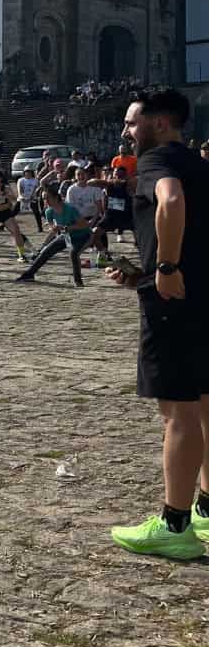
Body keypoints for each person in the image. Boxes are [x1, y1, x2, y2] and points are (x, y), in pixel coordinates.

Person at [105, 89, 209, 560]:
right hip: (203, 294)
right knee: (205, 405)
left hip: (173, 302)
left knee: (178, 414)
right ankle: (206, 509)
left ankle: (174, 524)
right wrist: (144, 272)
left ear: (160, 123)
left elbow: (171, 201)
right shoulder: (199, 164)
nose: (127, 131)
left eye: (132, 122)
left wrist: (165, 268)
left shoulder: (156, 161)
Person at [15, 185, 93, 286]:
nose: (46, 201)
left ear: (56, 197)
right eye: (44, 199)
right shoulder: (49, 212)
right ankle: (29, 274)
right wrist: (44, 245)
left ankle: (78, 281)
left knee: (73, 253)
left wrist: (66, 228)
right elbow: (53, 230)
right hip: (66, 236)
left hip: (83, 236)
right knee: (45, 252)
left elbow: (84, 225)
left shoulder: (70, 209)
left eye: (48, 198)